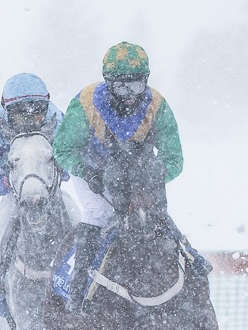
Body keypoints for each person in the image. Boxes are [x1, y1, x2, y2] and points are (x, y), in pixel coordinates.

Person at [52, 42, 208, 313]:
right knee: (99, 212)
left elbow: (175, 160)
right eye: (121, 87)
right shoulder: (86, 104)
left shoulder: (157, 106)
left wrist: (154, 174)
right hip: (92, 167)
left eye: (136, 86)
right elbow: (63, 149)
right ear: (108, 82)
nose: (129, 95)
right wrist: (87, 172)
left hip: (137, 171)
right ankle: (79, 288)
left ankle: (191, 257)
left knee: (151, 211)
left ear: (146, 81)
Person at [0, 72, 68, 314]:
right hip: (16, 194)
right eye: (20, 112)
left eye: (36, 111)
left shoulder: (60, 123)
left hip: (49, 190)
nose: (29, 119)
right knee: (3, 221)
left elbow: (68, 169)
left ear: (46, 106)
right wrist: (13, 182)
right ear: (6, 111)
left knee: (77, 216)